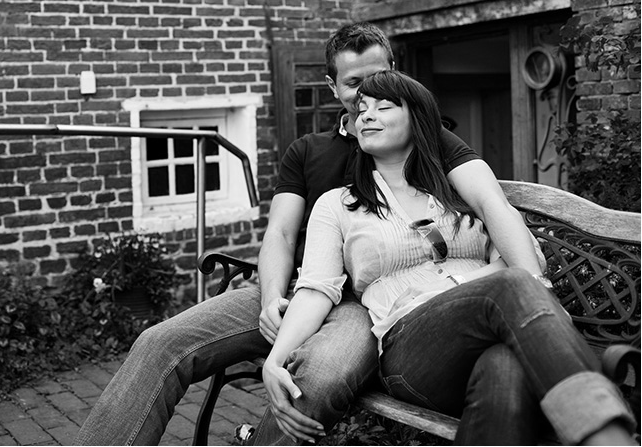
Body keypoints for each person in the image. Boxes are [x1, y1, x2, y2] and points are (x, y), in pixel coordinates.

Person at [75, 23, 544, 446]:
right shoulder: (308, 151)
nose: (369, 95)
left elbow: (487, 203)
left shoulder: (425, 137)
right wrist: (270, 299)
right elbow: (279, 232)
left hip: (365, 301)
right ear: (333, 86)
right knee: (161, 342)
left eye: (380, 78)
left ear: (396, 74)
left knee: (318, 377)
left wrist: (525, 276)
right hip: (299, 284)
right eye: (356, 84)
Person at [263, 69, 635, 446]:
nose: (366, 116)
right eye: (362, 109)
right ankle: (609, 435)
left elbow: (523, 257)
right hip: (410, 348)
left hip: (486, 330)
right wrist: (275, 360)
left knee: (504, 368)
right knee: (510, 285)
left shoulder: (455, 190)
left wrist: (456, 286)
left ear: (418, 120)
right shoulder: (338, 204)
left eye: (383, 106)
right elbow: (315, 290)